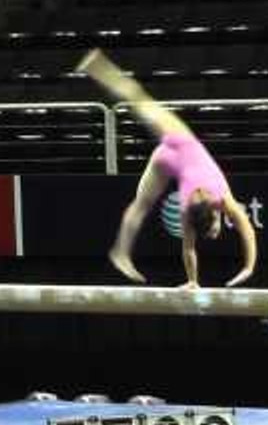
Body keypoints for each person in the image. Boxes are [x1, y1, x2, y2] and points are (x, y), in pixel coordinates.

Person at [76, 48, 257, 289]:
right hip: (172, 151)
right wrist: (245, 268)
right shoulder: (192, 208)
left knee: (138, 99)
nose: (217, 230)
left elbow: (241, 234)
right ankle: (120, 253)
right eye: (216, 229)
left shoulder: (221, 201)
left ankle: (121, 251)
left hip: (174, 147)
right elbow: (191, 247)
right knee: (140, 204)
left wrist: (244, 268)